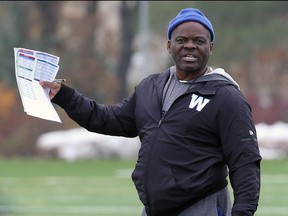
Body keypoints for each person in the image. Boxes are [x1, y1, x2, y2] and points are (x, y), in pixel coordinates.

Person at [40, 8, 261, 216]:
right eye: (182, 40)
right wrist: (64, 96)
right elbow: (110, 119)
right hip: (154, 209)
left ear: (210, 47)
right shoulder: (151, 87)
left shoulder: (225, 97)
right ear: (169, 45)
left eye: (199, 41)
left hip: (201, 206)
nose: (190, 46)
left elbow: (245, 161)